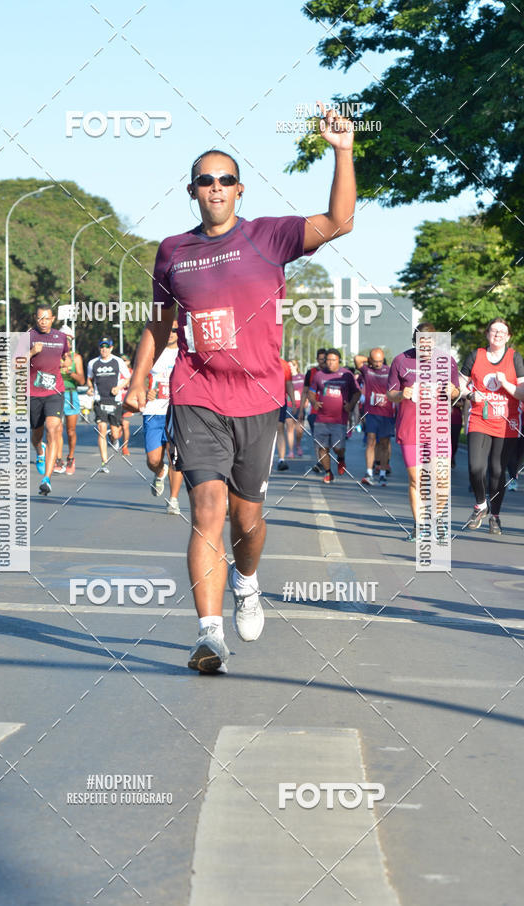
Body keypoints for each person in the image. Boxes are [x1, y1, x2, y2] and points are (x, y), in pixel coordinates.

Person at [125, 109, 355, 674]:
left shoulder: (267, 235)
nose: (216, 188)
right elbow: (159, 323)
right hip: (196, 393)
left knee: (246, 520)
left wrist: (342, 150)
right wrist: (139, 375)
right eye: (206, 180)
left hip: (257, 398)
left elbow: (341, 220)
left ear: (239, 189)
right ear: (193, 191)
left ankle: (247, 581)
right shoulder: (173, 250)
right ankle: (209, 636)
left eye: (226, 179)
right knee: (207, 507)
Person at [387, 323, 459, 540]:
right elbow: (390, 394)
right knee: (416, 480)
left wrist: (452, 389)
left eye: (429, 343)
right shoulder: (401, 360)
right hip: (411, 428)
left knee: (442, 480)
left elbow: (456, 390)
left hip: (438, 430)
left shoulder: (447, 361)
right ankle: (420, 526)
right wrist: (402, 394)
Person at [460, 318, 524, 534]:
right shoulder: (475, 356)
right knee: (475, 467)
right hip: (479, 418)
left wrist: (505, 382)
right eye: (494, 330)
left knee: (497, 471)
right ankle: (480, 505)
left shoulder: (515, 358)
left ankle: (495, 516)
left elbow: (522, 393)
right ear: (487, 333)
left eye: (502, 331)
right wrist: (469, 393)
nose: (498, 334)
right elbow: (459, 383)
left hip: (507, 423)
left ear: (508, 336)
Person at [142, 321, 184, 513]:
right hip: (153, 411)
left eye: (174, 330)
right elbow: (139, 377)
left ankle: (173, 499)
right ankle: (159, 472)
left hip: (177, 411)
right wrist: (144, 390)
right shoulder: (152, 351)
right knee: (152, 459)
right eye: (168, 329)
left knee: (174, 456)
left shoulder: (185, 353)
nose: (171, 333)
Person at [29, 305, 69, 496]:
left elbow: (66, 357)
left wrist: (67, 362)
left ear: (53, 319)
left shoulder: (61, 338)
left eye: (46, 318)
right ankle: (39, 451)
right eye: (40, 318)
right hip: (33, 393)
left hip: (55, 392)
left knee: (53, 429)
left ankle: (47, 478)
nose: (43, 322)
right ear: (35, 319)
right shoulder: (27, 337)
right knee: (36, 434)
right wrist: (30, 353)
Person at [308, 348, 360, 483]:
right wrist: (314, 402)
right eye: (328, 360)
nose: (330, 363)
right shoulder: (319, 375)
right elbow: (311, 391)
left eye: (333, 360)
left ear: (339, 361)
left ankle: (341, 458)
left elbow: (357, 393)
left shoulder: (347, 375)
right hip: (322, 419)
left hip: (339, 420)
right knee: (322, 447)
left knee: (338, 448)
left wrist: (350, 405)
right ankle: (328, 472)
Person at [87, 338, 130, 473]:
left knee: (116, 432)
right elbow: (89, 378)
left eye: (107, 347)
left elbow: (128, 377)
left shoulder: (118, 361)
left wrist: (119, 387)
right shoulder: (93, 363)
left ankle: (115, 439)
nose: (104, 349)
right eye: (102, 347)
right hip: (100, 400)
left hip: (115, 400)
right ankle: (104, 462)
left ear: (111, 348)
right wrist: (90, 388)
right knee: (101, 429)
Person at [359, 347, 394, 486]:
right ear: (371, 360)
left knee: (385, 443)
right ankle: (369, 472)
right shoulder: (367, 370)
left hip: (387, 413)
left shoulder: (390, 370)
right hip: (372, 412)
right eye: (375, 361)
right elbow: (357, 359)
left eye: (380, 361)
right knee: (371, 441)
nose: (378, 364)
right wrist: (369, 361)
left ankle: (383, 474)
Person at [54, 325, 85, 475]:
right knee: (56, 429)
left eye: (68, 339)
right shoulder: (53, 357)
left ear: (71, 341)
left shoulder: (76, 358)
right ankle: (58, 459)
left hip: (71, 395)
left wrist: (70, 372)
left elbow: (82, 380)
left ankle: (71, 457)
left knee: (70, 431)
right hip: (56, 394)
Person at [299, 347, 327, 472]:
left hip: (330, 412)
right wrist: (301, 411)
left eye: (324, 359)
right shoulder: (311, 373)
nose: (323, 361)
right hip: (314, 412)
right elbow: (305, 392)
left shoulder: (332, 373)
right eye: (320, 359)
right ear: (317, 359)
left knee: (327, 439)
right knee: (317, 438)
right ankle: (320, 461)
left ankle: (324, 459)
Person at [276, 357, 295, 470]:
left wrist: (292, 401)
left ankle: (281, 459)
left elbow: (289, 384)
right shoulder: (260, 359)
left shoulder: (284, 364)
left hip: (279, 401)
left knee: (280, 429)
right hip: (260, 402)